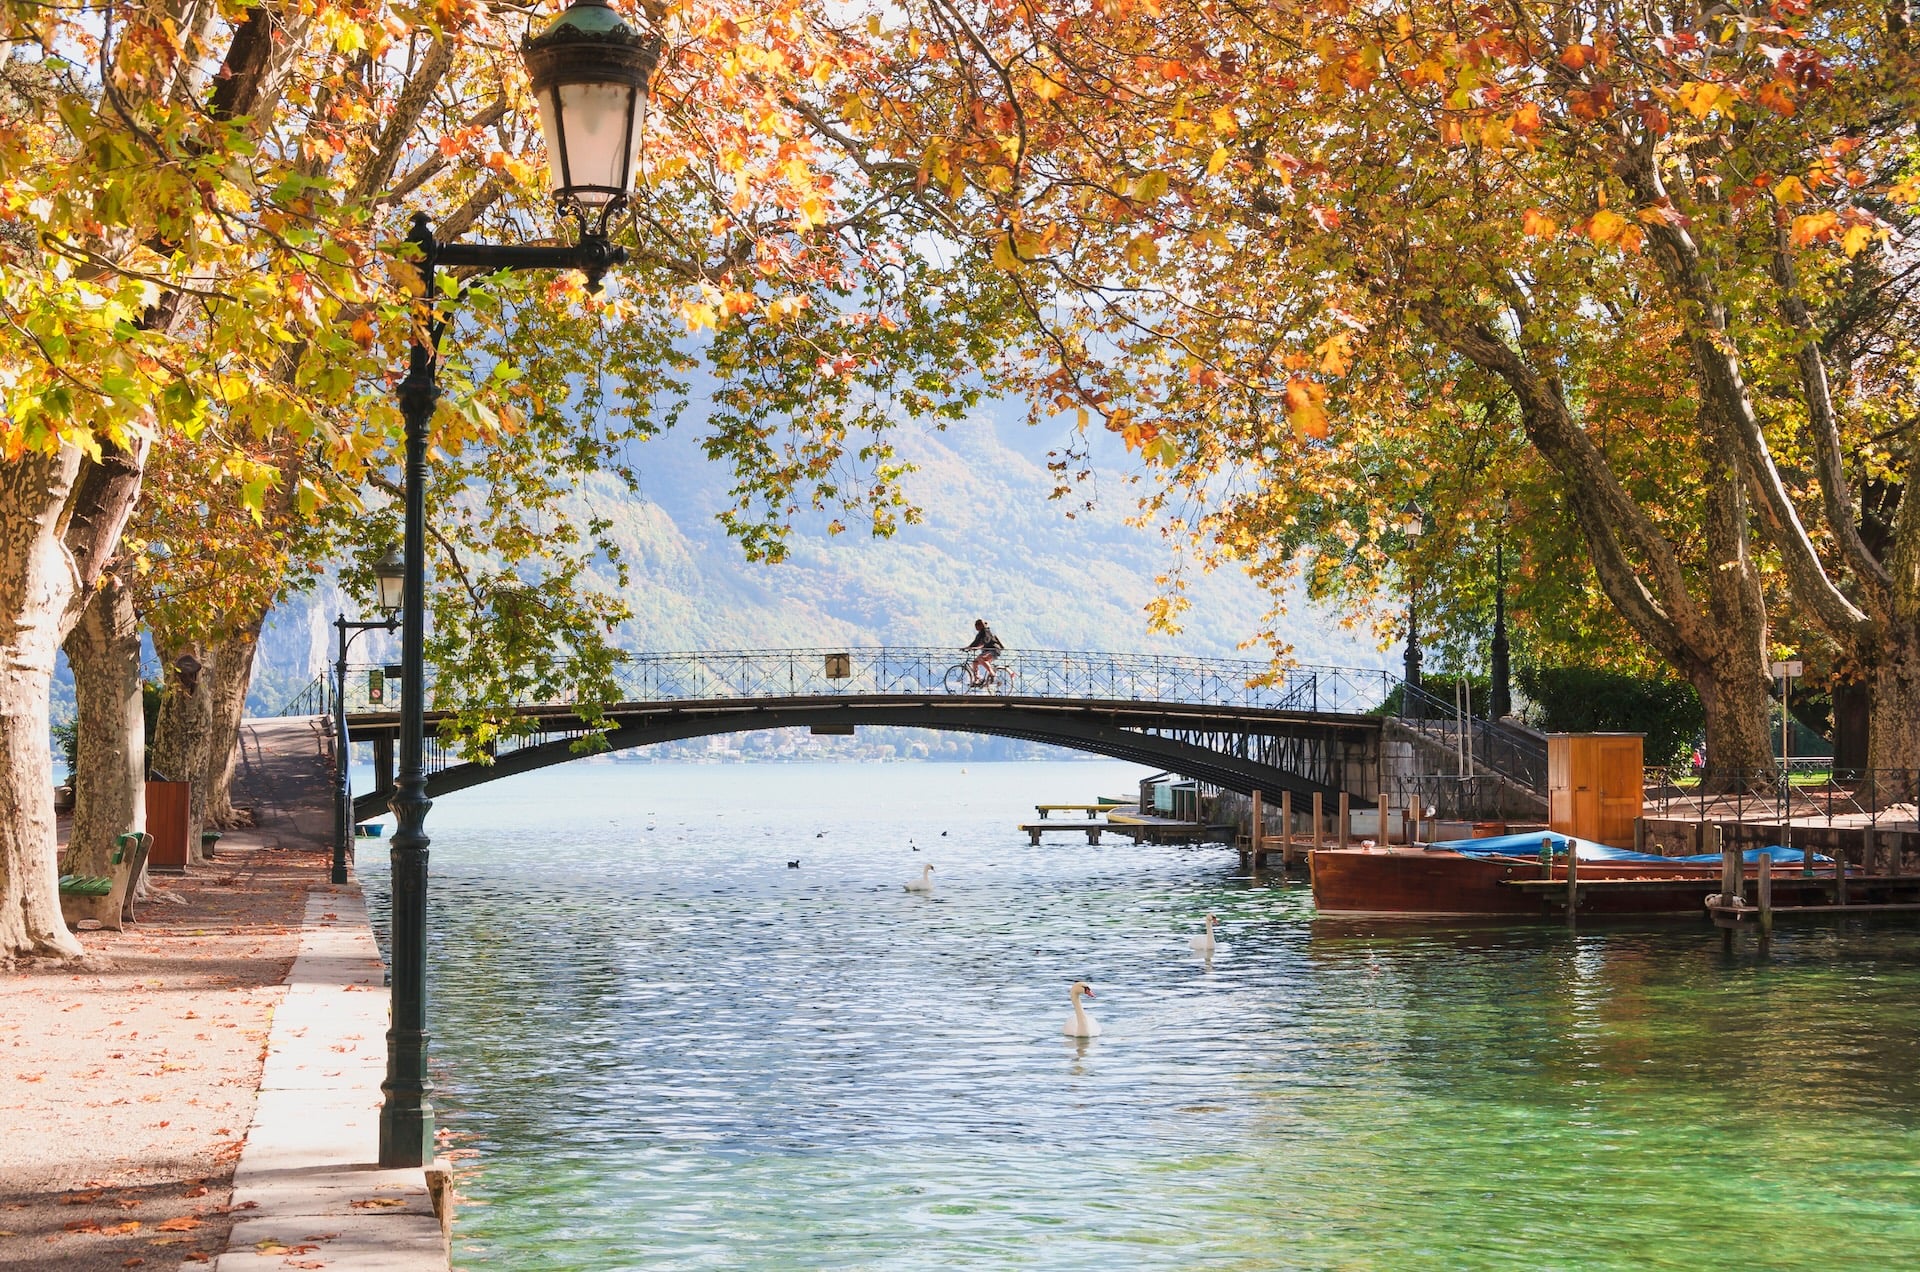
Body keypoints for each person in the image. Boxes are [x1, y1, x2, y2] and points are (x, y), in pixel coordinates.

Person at [963, 618, 1003, 688]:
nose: (975, 627)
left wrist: (976, 648)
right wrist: (968, 648)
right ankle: (977, 680)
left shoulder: (986, 632)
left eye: (977, 625)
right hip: (987, 651)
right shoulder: (980, 633)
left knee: (981, 658)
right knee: (975, 662)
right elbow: (975, 642)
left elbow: (985, 642)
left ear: (980, 626)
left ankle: (993, 675)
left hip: (994, 650)